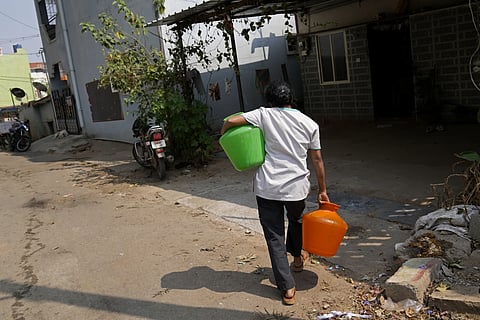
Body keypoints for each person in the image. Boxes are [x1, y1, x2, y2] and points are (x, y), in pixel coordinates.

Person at [220, 81, 329, 305]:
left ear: (270, 101)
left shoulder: (264, 115)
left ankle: (288, 288)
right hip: (296, 188)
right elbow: (317, 159)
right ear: (292, 99)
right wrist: (323, 190)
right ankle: (298, 259)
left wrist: (224, 136)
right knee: (297, 220)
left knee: (274, 236)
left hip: (268, 187)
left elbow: (231, 121)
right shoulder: (309, 123)